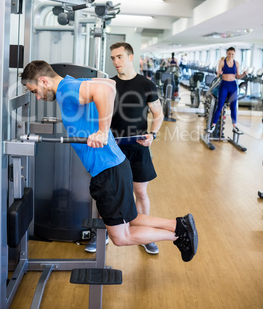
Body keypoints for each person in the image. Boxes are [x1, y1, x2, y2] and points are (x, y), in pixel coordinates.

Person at [21, 60, 198, 263]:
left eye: (34, 90)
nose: (37, 96)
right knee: (130, 219)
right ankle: (179, 225)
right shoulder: (71, 83)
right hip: (113, 166)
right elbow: (110, 85)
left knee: (121, 237)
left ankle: (178, 235)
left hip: (108, 171)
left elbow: (104, 91)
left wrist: (103, 131)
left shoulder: (67, 88)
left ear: (43, 81)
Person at [111, 42, 163, 254]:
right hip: (113, 147)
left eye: (120, 57)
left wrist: (153, 134)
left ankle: (144, 234)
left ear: (131, 57)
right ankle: (103, 233)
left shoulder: (146, 85)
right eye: (113, 58)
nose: (116, 62)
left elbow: (158, 114)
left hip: (138, 145)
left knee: (140, 192)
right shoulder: (109, 84)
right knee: (109, 193)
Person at [208, 47, 247, 134]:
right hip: (224, 85)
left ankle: (234, 126)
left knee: (233, 107)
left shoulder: (236, 63)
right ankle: (213, 126)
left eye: (232, 54)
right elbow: (218, 74)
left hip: (233, 85)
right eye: (229, 53)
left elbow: (238, 76)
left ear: (234, 54)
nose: (230, 55)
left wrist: (244, 74)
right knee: (219, 106)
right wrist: (219, 73)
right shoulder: (222, 62)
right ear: (226, 53)